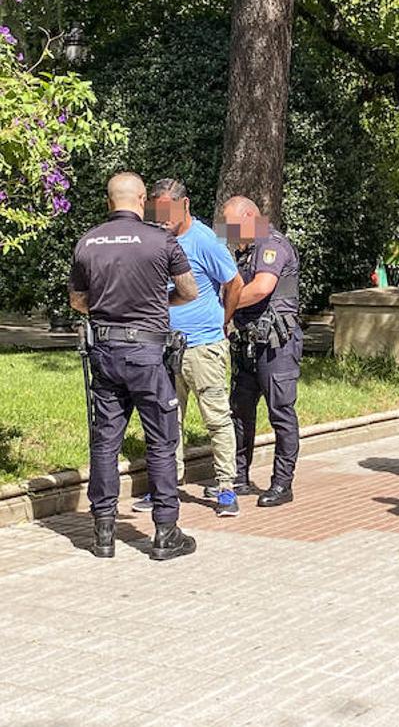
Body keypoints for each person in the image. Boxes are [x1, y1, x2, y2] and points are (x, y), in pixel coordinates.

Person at [67, 172, 199, 561]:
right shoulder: (162, 240)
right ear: (142, 200)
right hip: (147, 354)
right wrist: (157, 304)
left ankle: (103, 532)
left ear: (109, 201)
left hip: (105, 353)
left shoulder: (88, 242)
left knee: (105, 441)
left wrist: (109, 310)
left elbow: (77, 300)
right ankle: (165, 532)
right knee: (161, 439)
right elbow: (189, 290)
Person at [131, 179, 244, 518]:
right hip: (165, 347)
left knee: (216, 418)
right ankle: (167, 487)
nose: (162, 217)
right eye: (157, 211)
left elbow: (234, 283)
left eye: (168, 210)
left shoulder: (205, 240)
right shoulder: (156, 240)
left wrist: (223, 322)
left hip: (203, 347)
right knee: (167, 420)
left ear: (185, 205)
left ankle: (226, 488)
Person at [223, 196, 303, 508]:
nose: (228, 231)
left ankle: (282, 483)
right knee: (240, 412)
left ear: (248, 217)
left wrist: (223, 310)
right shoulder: (244, 252)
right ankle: (239, 477)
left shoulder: (272, 244)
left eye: (231, 224)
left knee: (280, 412)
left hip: (275, 345)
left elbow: (261, 287)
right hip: (247, 343)